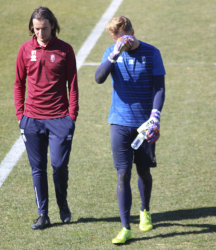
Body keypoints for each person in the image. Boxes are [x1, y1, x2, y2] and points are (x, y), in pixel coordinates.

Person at [95, 15, 165, 244]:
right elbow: (99, 78)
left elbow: (159, 88)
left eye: (122, 39)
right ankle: (125, 228)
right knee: (122, 174)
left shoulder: (152, 53)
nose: (120, 43)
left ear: (132, 33)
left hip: (144, 126)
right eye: (115, 39)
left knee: (143, 171)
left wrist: (155, 117)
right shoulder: (112, 51)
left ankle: (145, 210)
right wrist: (114, 54)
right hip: (119, 123)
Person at [14, 6, 79, 230]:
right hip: (31, 119)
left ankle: (62, 202)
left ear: (53, 26)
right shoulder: (24, 50)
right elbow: (18, 83)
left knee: (59, 165)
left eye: (44, 28)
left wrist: (72, 116)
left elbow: (73, 84)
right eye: (36, 29)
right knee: (37, 168)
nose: (40, 33)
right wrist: (20, 115)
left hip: (60, 118)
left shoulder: (65, 50)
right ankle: (43, 214)